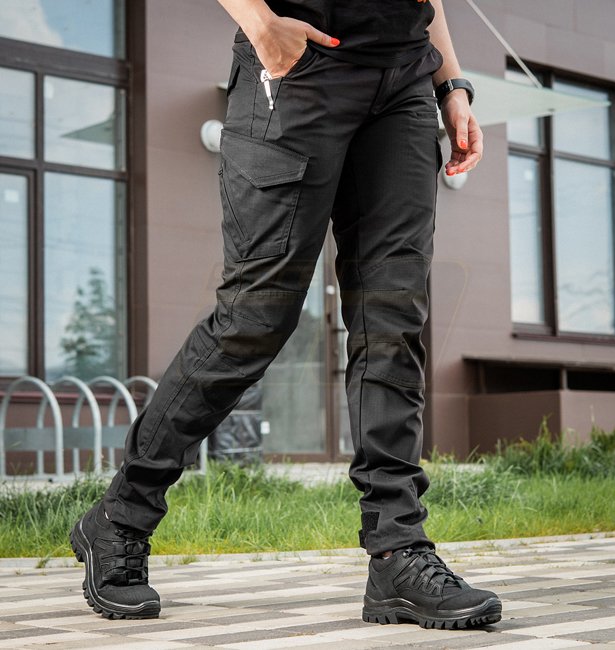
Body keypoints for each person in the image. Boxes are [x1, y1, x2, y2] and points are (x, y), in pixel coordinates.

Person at [70, 0, 502, 629]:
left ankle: (398, 552)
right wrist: (260, 24)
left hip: (405, 78)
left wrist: (451, 83)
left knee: (393, 318)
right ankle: (121, 516)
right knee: (256, 316)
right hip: (300, 67)